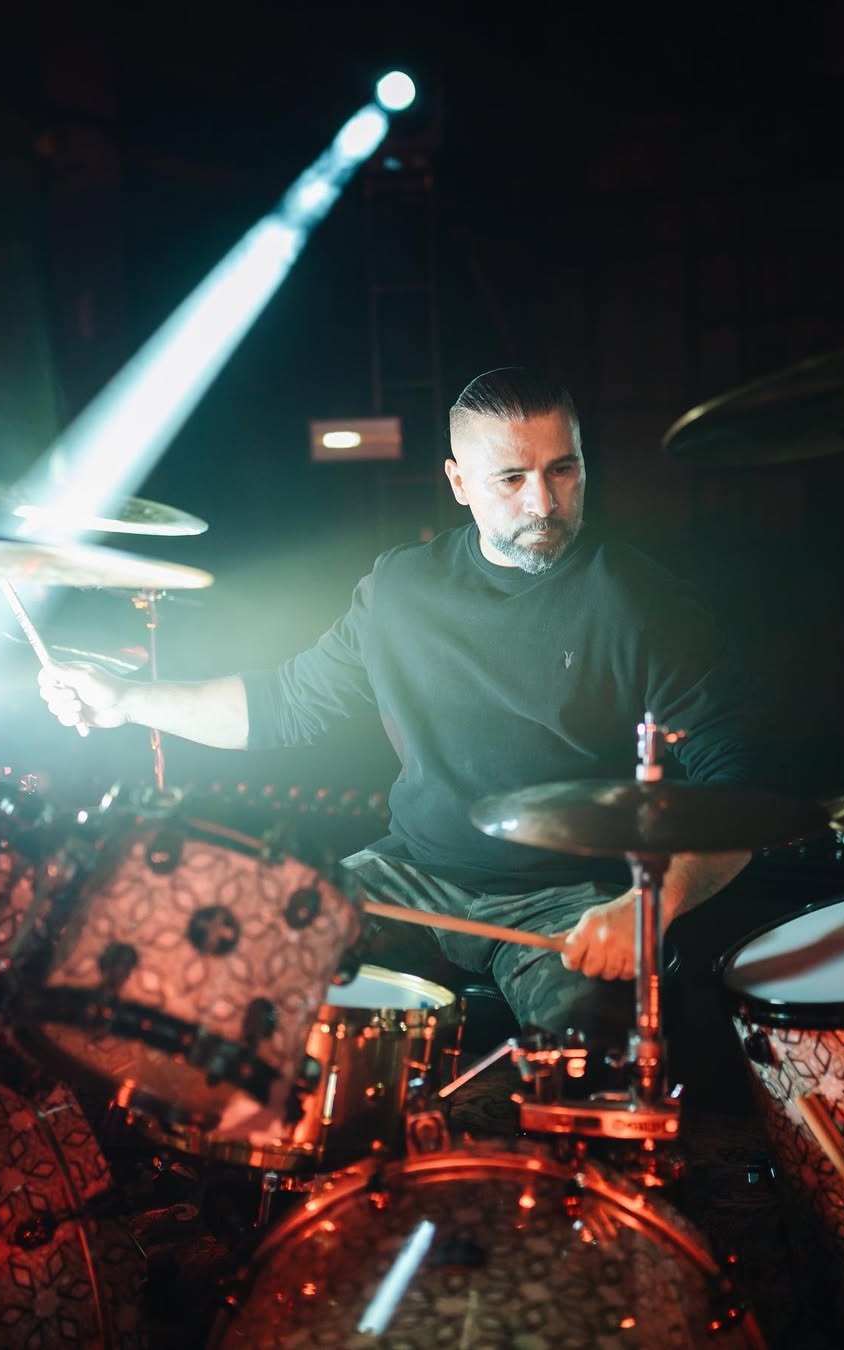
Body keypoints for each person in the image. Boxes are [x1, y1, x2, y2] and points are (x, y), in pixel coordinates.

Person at [39, 367, 752, 1053]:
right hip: (413, 875)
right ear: (459, 483)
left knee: (586, 1065)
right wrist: (125, 701)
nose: (543, 501)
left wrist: (650, 906)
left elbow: (738, 788)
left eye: (562, 469)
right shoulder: (400, 590)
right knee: (245, 962)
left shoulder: (644, 606)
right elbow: (283, 704)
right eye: (511, 478)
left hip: (571, 900)